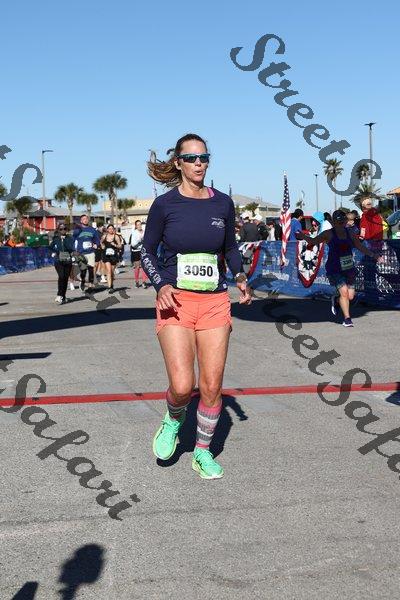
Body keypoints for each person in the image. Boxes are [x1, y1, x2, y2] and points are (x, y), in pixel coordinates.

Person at [142, 133, 251, 479]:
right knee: (181, 386)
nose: (199, 163)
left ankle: (202, 452)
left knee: (212, 386)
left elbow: (230, 247)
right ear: (178, 163)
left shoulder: (223, 203)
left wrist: (240, 276)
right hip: (176, 301)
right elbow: (146, 251)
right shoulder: (165, 205)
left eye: (204, 157)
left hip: (215, 301)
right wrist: (161, 285)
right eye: (191, 158)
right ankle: (173, 419)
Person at [296, 209, 382, 327]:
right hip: (335, 268)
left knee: (350, 296)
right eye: (338, 222)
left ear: (345, 221)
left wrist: (374, 255)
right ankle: (347, 319)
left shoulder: (350, 233)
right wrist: (303, 236)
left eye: (343, 221)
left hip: (349, 268)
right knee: (344, 293)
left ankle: (336, 299)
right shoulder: (328, 233)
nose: (341, 224)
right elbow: (313, 241)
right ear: (334, 222)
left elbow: (359, 246)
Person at [73, 214, 100, 293]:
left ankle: (91, 285)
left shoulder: (92, 230)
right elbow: (73, 240)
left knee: (91, 269)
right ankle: (83, 281)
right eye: (83, 219)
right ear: (81, 221)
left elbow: (97, 239)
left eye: (86, 219)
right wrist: (74, 251)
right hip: (81, 253)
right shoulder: (77, 230)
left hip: (90, 252)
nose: (85, 220)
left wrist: (96, 244)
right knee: (83, 270)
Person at [50, 223, 75, 304]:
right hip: (58, 260)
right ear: (58, 230)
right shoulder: (56, 238)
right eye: (61, 229)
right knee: (61, 276)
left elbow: (71, 248)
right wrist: (56, 252)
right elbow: (50, 247)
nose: (63, 230)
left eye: (64, 229)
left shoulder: (70, 238)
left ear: (66, 230)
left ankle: (63, 296)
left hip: (67, 260)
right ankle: (59, 294)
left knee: (65, 278)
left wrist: (64, 241)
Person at [100, 224, 122, 293]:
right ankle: (109, 287)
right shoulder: (104, 236)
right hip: (106, 256)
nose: (111, 230)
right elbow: (101, 242)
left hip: (114, 256)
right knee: (108, 271)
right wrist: (102, 246)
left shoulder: (116, 237)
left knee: (112, 272)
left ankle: (111, 285)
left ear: (114, 229)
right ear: (107, 230)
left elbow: (120, 246)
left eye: (112, 229)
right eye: (109, 229)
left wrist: (115, 245)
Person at [129, 220, 150, 288]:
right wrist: (140, 240)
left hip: (143, 251)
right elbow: (133, 244)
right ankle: (137, 281)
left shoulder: (144, 232)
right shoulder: (134, 233)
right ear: (136, 226)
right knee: (137, 267)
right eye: (138, 225)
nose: (139, 226)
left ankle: (144, 282)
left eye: (140, 224)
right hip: (136, 251)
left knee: (144, 267)